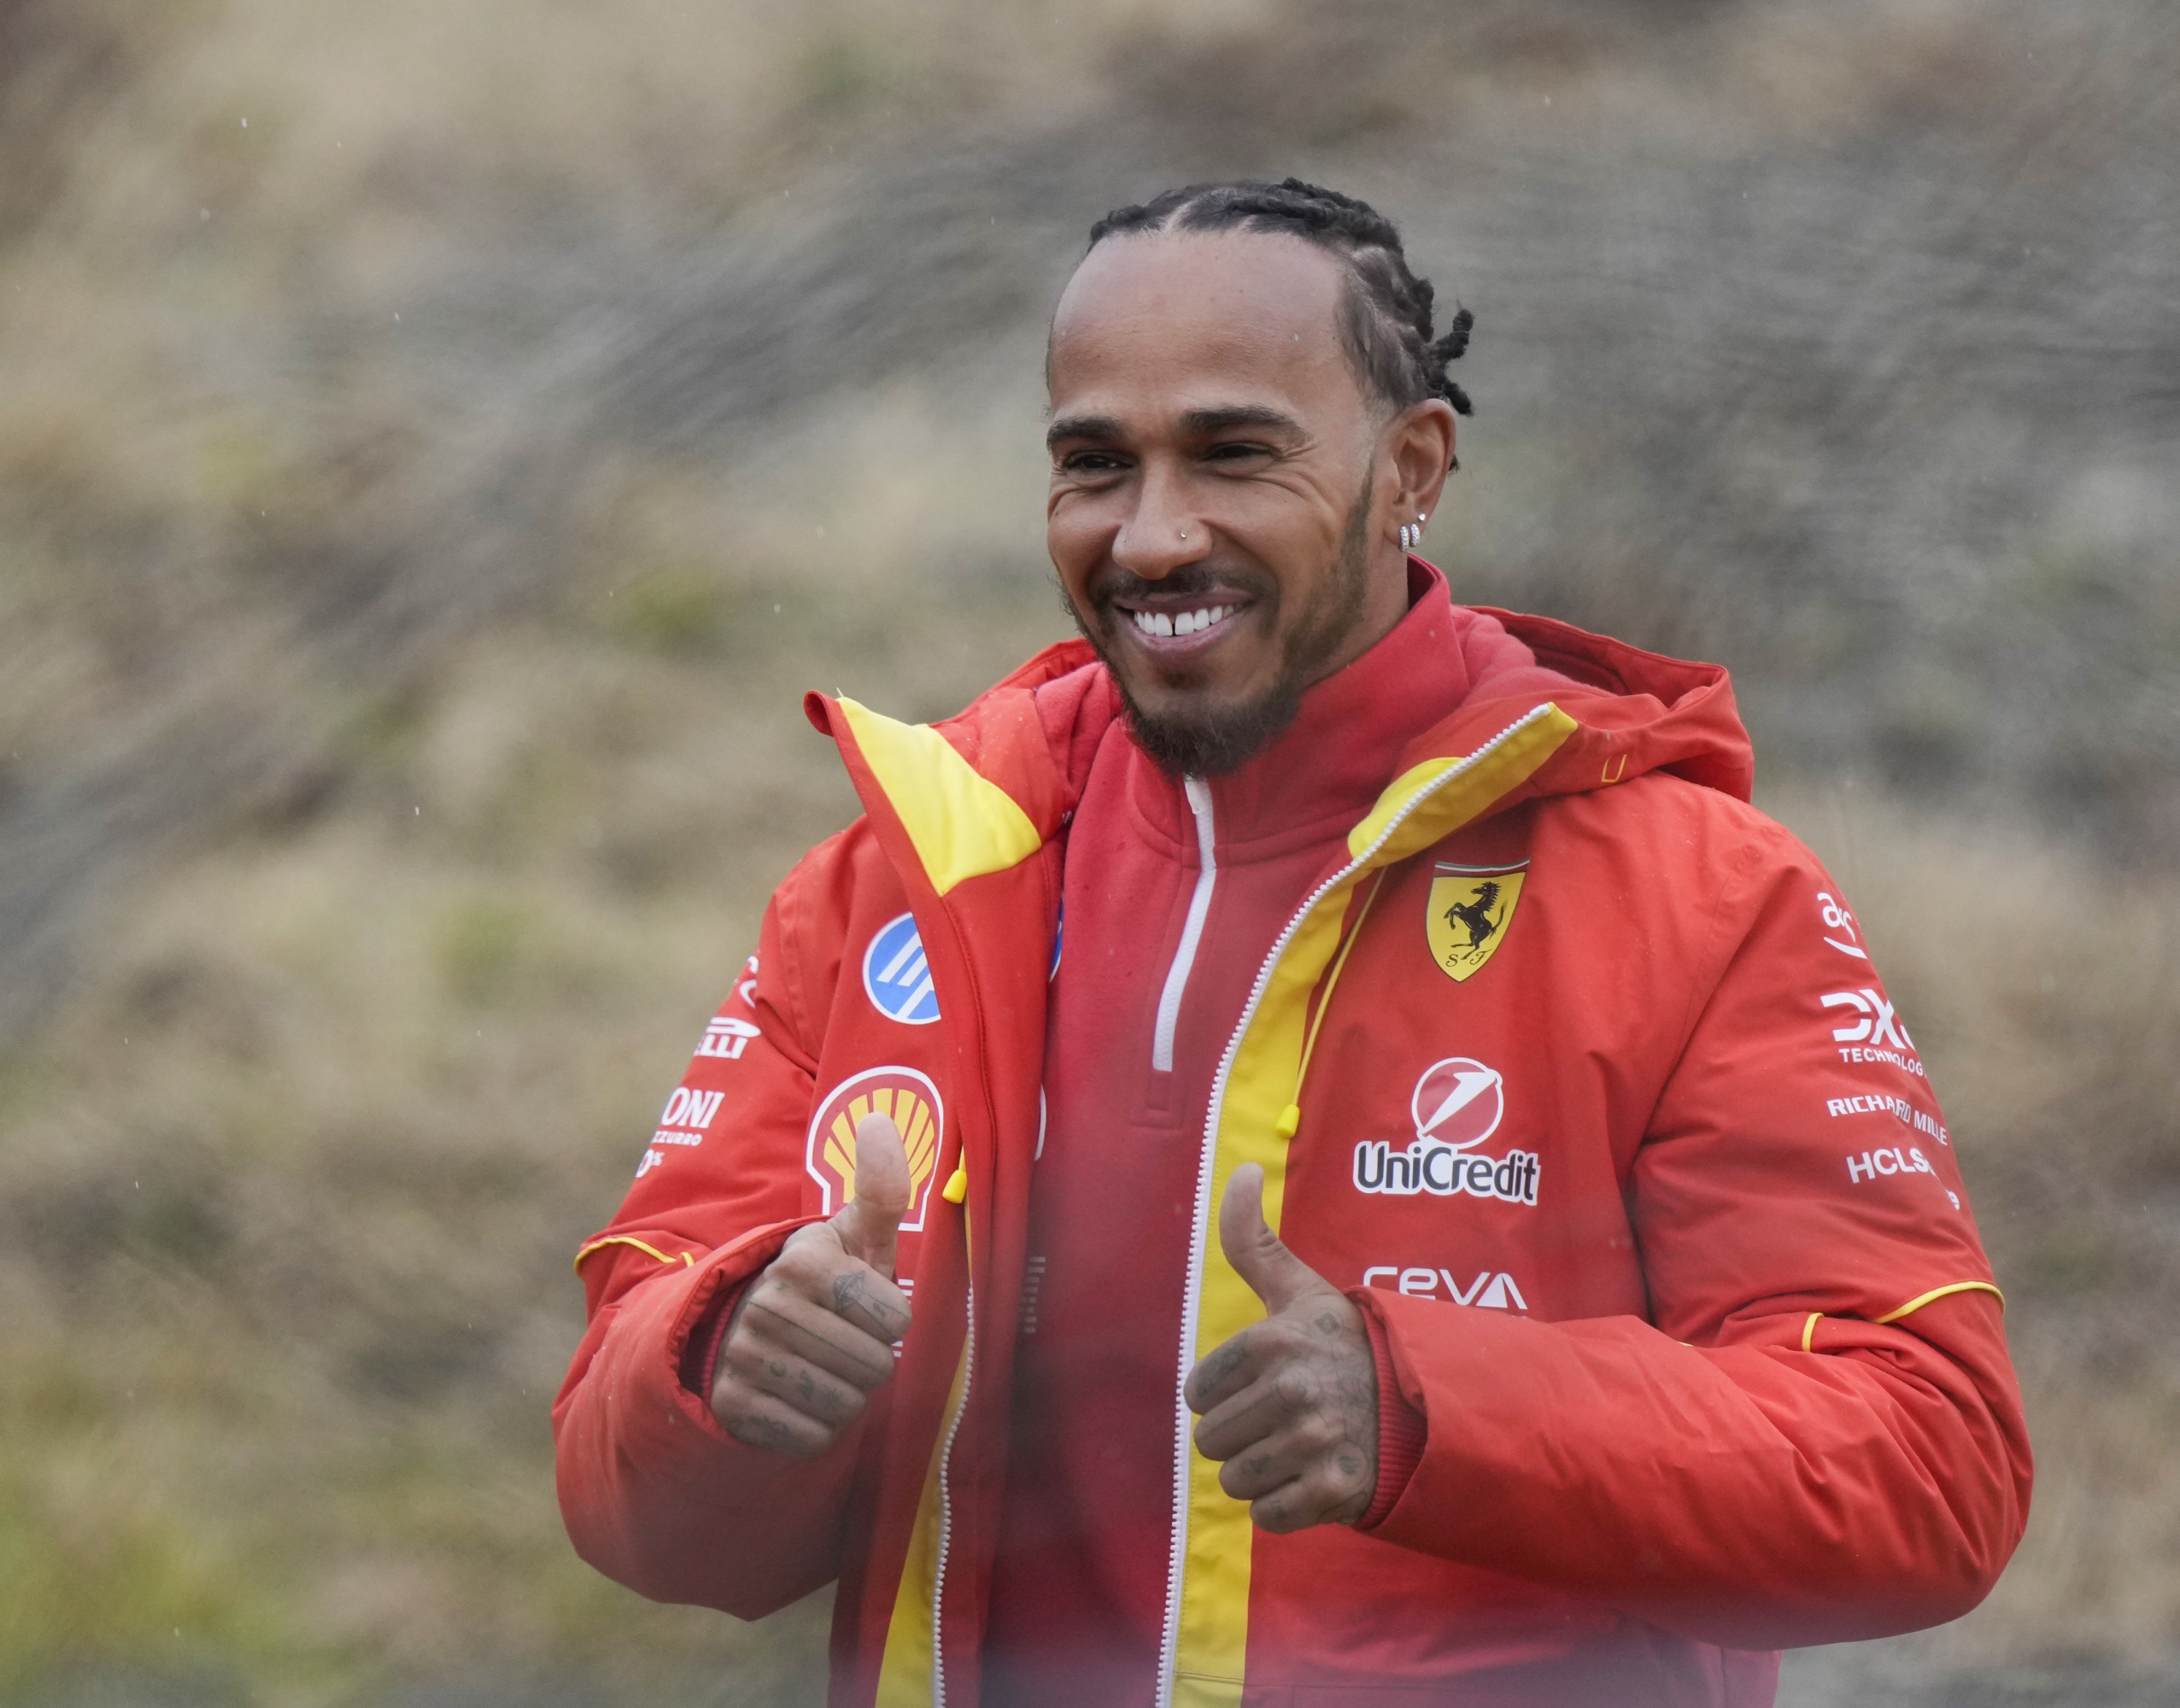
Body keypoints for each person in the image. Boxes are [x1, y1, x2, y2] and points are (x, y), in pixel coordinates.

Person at [554, 178, 2031, 1708]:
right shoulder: (897, 885)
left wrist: (1430, 1412)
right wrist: (722, 1368)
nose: (1153, 535)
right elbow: (636, 1510)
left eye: (1235, 453)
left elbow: (1932, 1469)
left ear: (1412, 468)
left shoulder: (1704, 898)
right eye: (1093, 464)